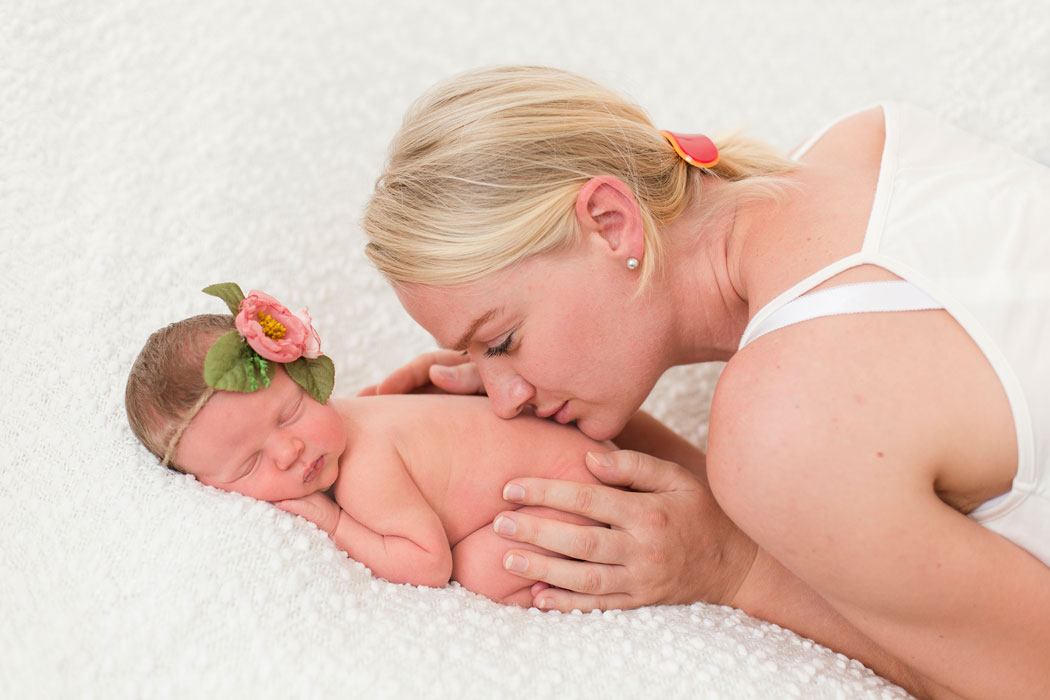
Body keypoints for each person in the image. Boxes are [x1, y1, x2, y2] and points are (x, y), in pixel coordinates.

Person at [361, 66, 1050, 698]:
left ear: (610, 222)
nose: (505, 399)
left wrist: (733, 565)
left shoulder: (785, 420)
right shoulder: (869, 141)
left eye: (501, 341)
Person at [124, 283, 709, 607]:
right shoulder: (350, 420)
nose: (288, 454)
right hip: (579, 460)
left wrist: (334, 526)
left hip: (581, 492)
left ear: (309, 376)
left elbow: (427, 564)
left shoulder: (363, 471)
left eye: (291, 413)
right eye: (249, 464)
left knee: (480, 568)